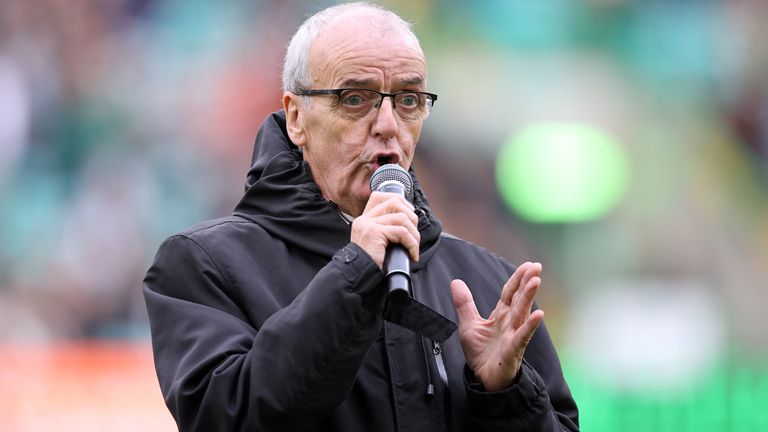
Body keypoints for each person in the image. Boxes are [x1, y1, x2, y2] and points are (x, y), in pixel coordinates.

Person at [143, 2, 579, 431]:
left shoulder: (490, 283)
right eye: (355, 98)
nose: (388, 123)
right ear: (296, 118)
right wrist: (354, 274)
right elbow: (224, 418)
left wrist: (506, 394)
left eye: (408, 99)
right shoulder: (205, 265)